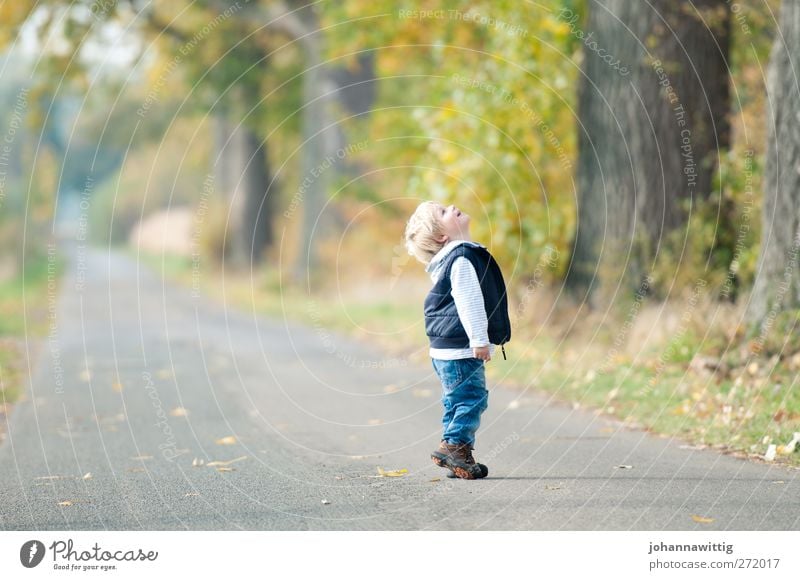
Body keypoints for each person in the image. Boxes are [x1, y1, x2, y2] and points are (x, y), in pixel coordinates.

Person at [403, 201, 511, 479]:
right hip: (461, 347)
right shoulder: (461, 259)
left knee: (456, 400)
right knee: (472, 398)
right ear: (442, 236)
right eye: (442, 212)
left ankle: (457, 456)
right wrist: (479, 340)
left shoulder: (451, 259)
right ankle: (454, 447)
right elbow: (469, 302)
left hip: (444, 349)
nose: (451, 206)